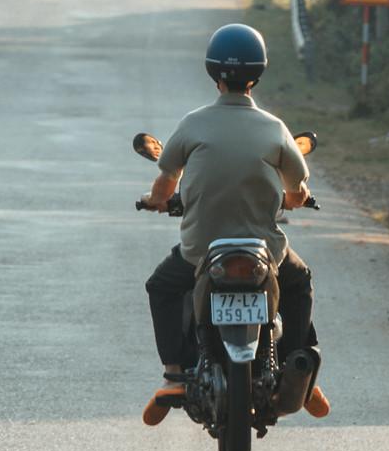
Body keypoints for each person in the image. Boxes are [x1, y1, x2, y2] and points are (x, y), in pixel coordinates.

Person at [139, 21, 329, 425]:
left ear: (213, 74)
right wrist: (293, 200)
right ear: (257, 75)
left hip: (200, 252)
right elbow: (296, 192)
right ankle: (299, 373)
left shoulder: (192, 124)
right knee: (300, 282)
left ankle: (174, 373)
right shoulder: (275, 129)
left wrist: (156, 202)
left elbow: (165, 181)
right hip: (265, 253)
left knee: (161, 286)